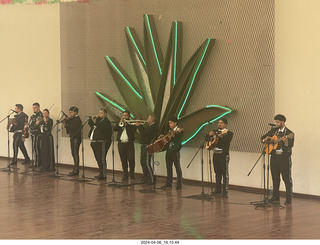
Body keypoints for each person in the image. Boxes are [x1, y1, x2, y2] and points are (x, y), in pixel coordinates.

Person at [261, 114, 294, 205]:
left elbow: (290, 147)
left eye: (278, 122)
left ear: (283, 122)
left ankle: (288, 198)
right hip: (274, 157)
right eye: (275, 121)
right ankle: (275, 197)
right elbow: (262, 138)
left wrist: (286, 143)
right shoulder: (273, 130)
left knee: (286, 178)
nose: (276, 123)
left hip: (284, 158)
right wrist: (267, 140)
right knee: (275, 177)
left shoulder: (289, 133)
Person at [209, 118, 234, 198]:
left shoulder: (229, 133)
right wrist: (209, 135)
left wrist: (222, 136)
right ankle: (217, 189)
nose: (219, 124)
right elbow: (209, 140)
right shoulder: (215, 131)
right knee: (217, 172)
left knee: (224, 173)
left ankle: (225, 190)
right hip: (215, 154)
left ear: (225, 124)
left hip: (223, 154)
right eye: (219, 123)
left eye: (221, 123)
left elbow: (227, 142)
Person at [88, 108, 112, 180]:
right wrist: (91, 119)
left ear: (105, 114)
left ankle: (103, 175)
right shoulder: (98, 121)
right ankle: (101, 173)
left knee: (101, 159)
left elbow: (102, 128)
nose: (99, 114)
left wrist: (96, 121)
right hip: (95, 142)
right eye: (99, 113)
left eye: (101, 113)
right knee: (98, 158)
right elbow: (91, 124)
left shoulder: (106, 121)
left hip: (102, 142)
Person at [113, 111, 137, 181]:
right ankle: (125, 174)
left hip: (129, 143)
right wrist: (120, 122)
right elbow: (114, 129)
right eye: (123, 115)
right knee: (123, 160)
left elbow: (133, 131)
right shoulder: (120, 122)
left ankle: (132, 174)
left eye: (126, 115)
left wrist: (127, 125)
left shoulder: (132, 123)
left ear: (129, 116)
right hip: (121, 144)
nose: (124, 117)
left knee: (131, 159)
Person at [161, 117, 183, 190]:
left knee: (177, 168)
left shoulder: (179, 130)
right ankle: (168, 183)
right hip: (169, 150)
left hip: (175, 151)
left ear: (175, 123)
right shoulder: (169, 131)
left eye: (171, 123)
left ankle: (179, 184)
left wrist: (174, 134)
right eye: (169, 123)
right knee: (168, 168)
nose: (169, 124)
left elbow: (178, 140)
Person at [136, 114, 157, 184]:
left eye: (148, 118)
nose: (147, 120)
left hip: (148, 146)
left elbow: (144, 133)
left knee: (147, 163)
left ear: (152, 120)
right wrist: (140, 125)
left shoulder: (153, 126)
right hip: (143, 146)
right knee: (143, 162)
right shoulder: (150, 126)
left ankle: (152, 179)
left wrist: (139, 126)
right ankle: (146, 177)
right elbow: (145, 131)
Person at [62, 106, 82, 176]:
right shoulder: (72, 119)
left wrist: (65, 124)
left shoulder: (77, 119)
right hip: (72, 137)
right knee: (73, 153)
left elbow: (72, 128)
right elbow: (69, 130)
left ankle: (76, 170)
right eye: (69, 112)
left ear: (75, 112)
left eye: (71, 112)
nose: (70, 114)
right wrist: (65, 121)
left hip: (76, 138)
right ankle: (75, 169)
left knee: (75, 153)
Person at [28, 102, 43, 167]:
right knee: (33, 148)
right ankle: (34, 161)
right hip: (32, 133)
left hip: (37, 134)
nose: (34, 109)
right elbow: (30, 124)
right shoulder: (32, 116)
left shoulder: (40, 115)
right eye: (33, 108)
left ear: (38, 108)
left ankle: (37, 162)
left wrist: (32, 126)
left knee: (36, 148)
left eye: (35, 108)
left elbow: (37, 125)